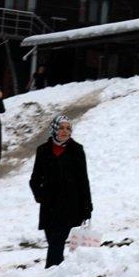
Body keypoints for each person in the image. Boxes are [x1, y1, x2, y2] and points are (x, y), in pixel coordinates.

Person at [29, 114, 92, 268]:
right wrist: (40, 196)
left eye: (68, 128)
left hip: (70, 205)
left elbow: (83, 180)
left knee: (56, 243)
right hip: (49, 207)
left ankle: (49, 274)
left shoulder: (77, 150)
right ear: (55, 129)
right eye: (61, 128)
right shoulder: (43, 150)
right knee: (54, 244)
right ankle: (58, 275)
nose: (65, 131)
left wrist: (87, 208)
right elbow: (35, 179)